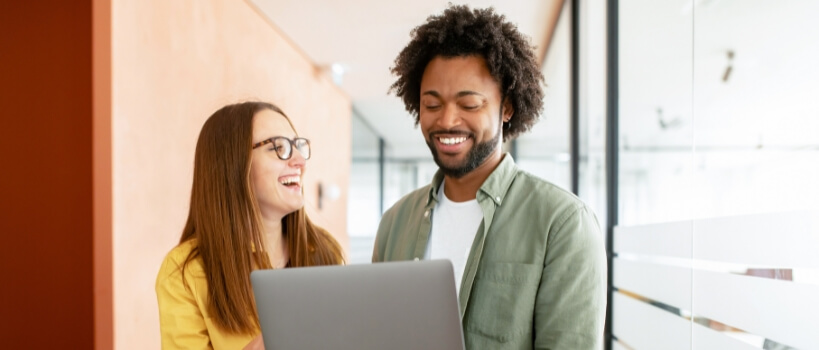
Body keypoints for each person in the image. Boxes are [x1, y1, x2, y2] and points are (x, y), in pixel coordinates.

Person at [372, 5, 607, 349]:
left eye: (469, 105)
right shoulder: (395, 222)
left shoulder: (563, 222)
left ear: (506, 108)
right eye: (432, 105)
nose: (447, 121)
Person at [156, 101, 344, 349]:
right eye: (279, 148)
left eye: (298, 146)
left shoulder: (323, 250)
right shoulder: (183, 271)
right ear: (232, 164)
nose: (300, 161)